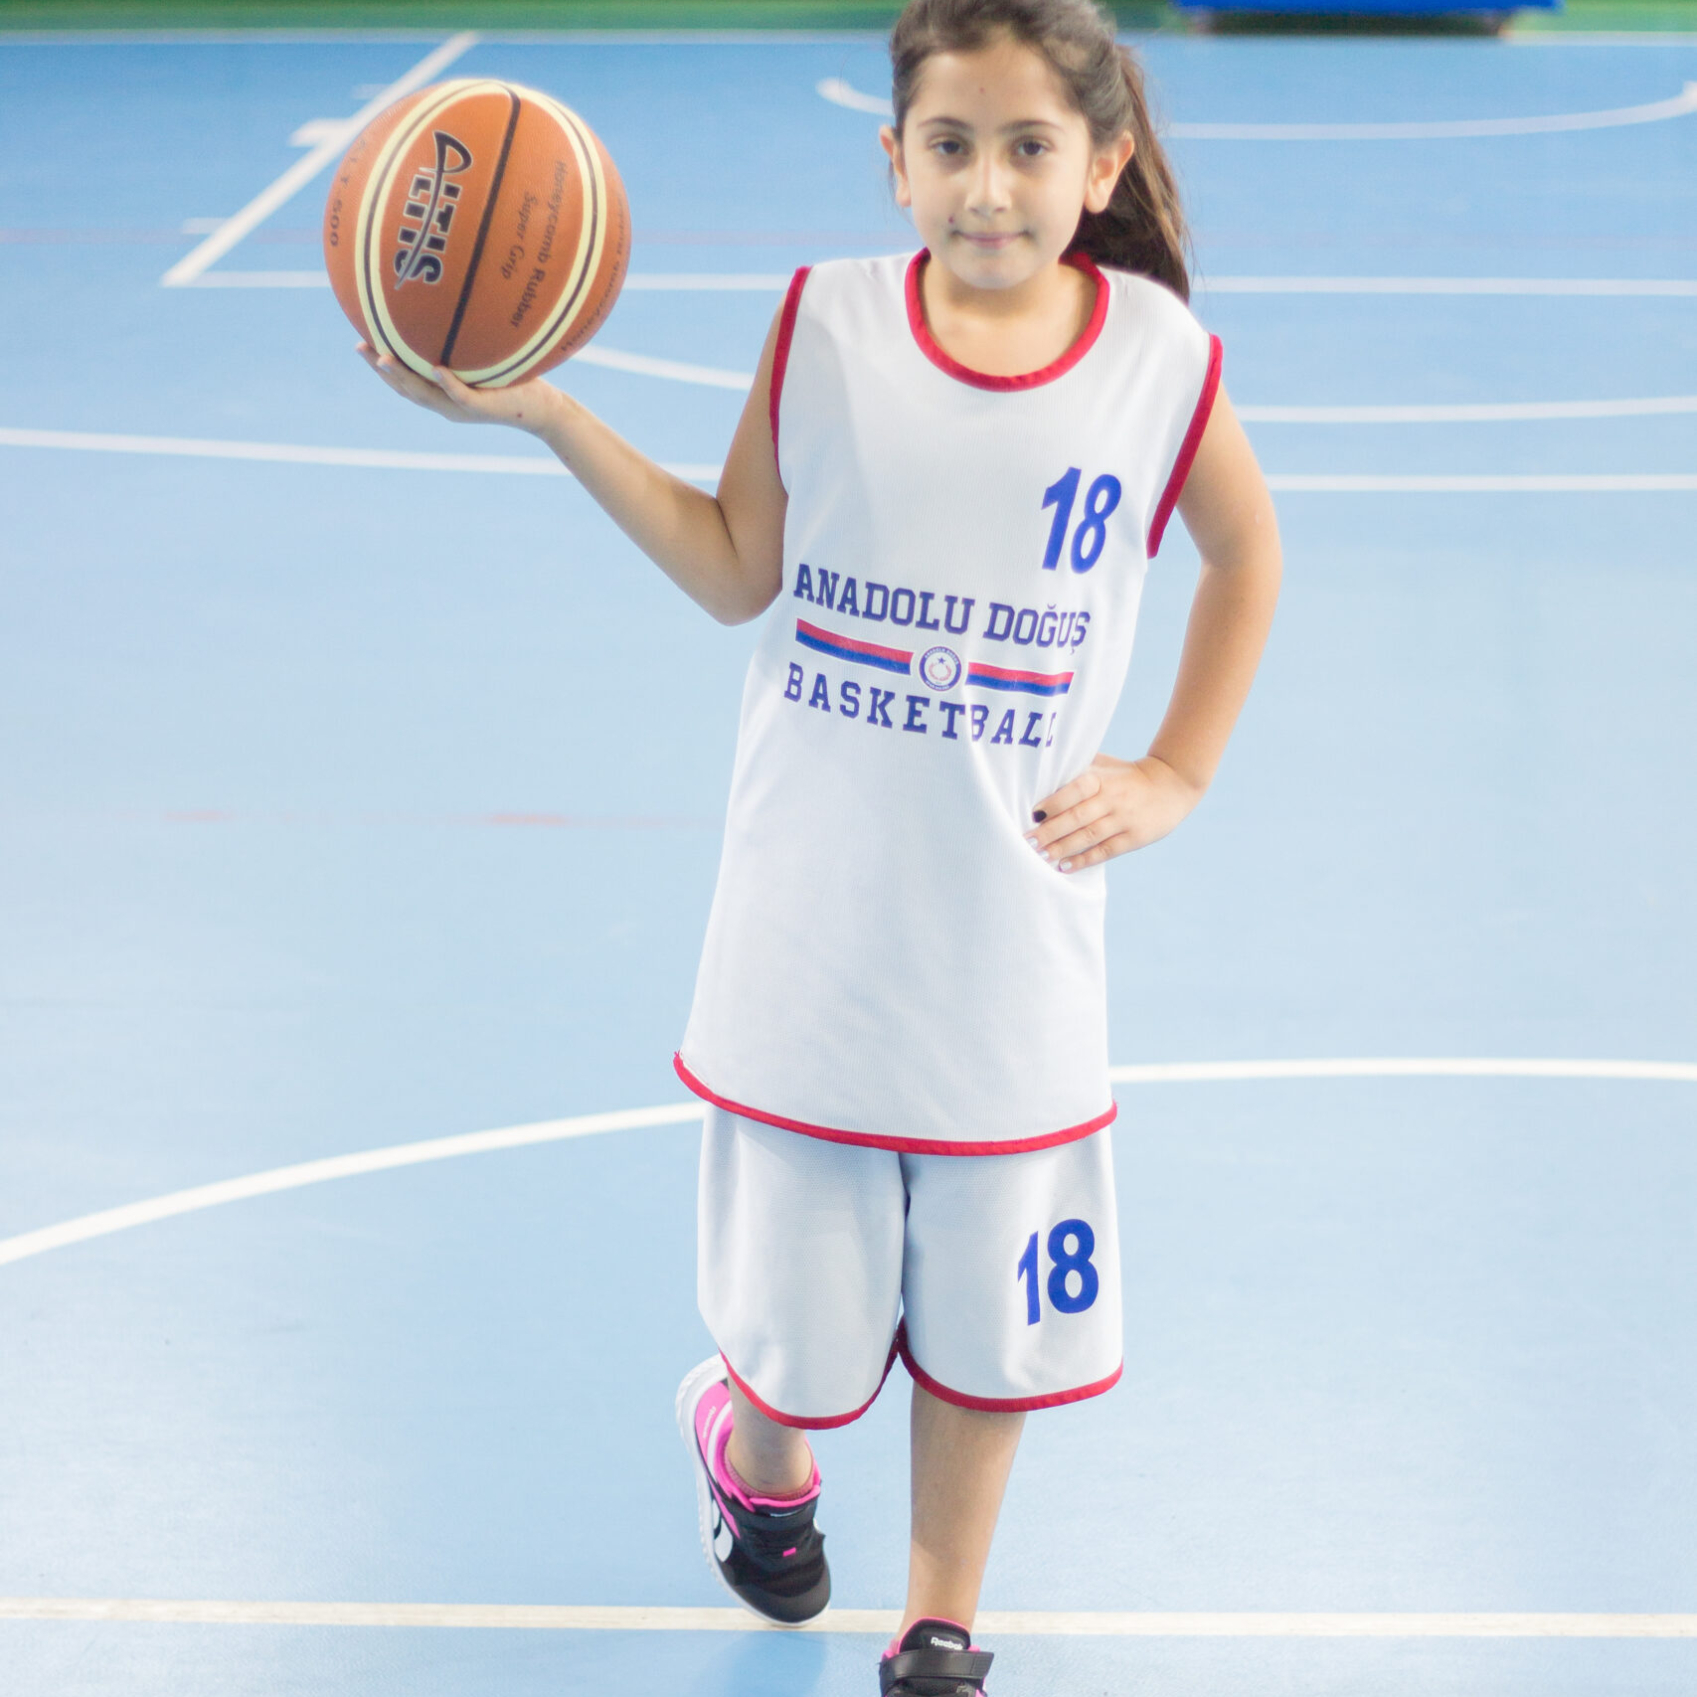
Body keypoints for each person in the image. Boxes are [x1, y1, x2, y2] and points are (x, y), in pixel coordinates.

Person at [363, 0, 1280, 1686]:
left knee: (990, 1329)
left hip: (1013, 944)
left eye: (1027, 147)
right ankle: (753, 1447)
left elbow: (1245, 554)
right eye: (949, 146)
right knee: (793, 1345)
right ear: (892, 160)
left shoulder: (1155, 358)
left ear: (1101, 166)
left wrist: (1177, 769)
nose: (986, 187)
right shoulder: (825, 322)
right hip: (809, 936)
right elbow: (735, 567)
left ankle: (940, 1619)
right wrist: (552, 414)